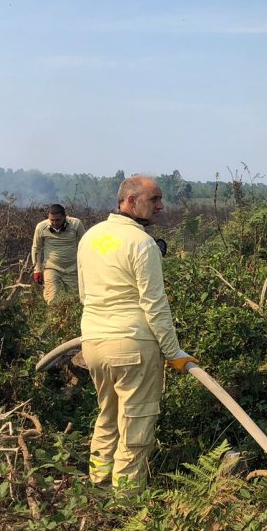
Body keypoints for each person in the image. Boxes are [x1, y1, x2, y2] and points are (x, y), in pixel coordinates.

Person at [76, 175, 197, 487]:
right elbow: (155, 304)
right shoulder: (142, 243)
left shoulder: (90, 236)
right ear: (130, 201)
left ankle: (98, 486)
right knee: (136, 426)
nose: (161, 206)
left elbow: (83, 294)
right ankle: (126, 504)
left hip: (93, 342)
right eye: (154, 199)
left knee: (107, 416)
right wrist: (174, 353)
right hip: (132, 344)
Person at [30, 204, 85, 305]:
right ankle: (52, 319)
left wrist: (85, 266)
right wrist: (37, 270)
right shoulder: (41, 227)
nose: (54, 223)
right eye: (52, 220)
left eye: (58, 220)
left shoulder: (76, 224)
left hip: (72, 269)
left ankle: (69, 320)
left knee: (75, 300)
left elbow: (85, 244)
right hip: (51, 268)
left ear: (64, 217)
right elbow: (36, 248)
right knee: (52, 298)